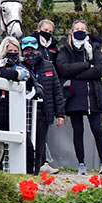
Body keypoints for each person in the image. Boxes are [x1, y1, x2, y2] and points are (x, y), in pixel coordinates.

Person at [56, 20, 102, 175]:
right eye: (77, 29)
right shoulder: (66, 50)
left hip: (93, 96)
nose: (80, 31)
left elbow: (99, 70)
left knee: (97, 130)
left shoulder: (95, 48)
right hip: (74, 97)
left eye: (82, 29)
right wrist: (86, 66)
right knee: (78, 131)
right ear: (71, 32)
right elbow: (63, 68)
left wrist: (76, 74)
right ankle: (81, 164)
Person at [20, 36, 65, 175]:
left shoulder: (48, 65)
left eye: (32, 50)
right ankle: (25, 171)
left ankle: (36, 173)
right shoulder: (20, 67)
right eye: (26, 50)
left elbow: (57, 91)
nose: (29, 53)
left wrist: (60, 114)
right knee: (26, 144)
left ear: (37, 50)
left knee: (40, 145)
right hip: (25, 112)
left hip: (44, 111)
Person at [0, 36, 31, 168]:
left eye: (15, 50)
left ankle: (28, 176)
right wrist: (15, 74)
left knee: (25, 144)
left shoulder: (21, 66)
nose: (12, 53)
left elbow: (32, 81)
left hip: (13, 113)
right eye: (9, 50)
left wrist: (36, 88)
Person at [30, 19, 61, 174]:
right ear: (38, 29)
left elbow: (58, 71)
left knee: (43, 133)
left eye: (50, 32)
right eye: (45, 30)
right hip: (33, 94)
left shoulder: (54, 48)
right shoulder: (31, 46)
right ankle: (34, 165)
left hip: (48, 87)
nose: (47, 33)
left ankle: (42, 163)